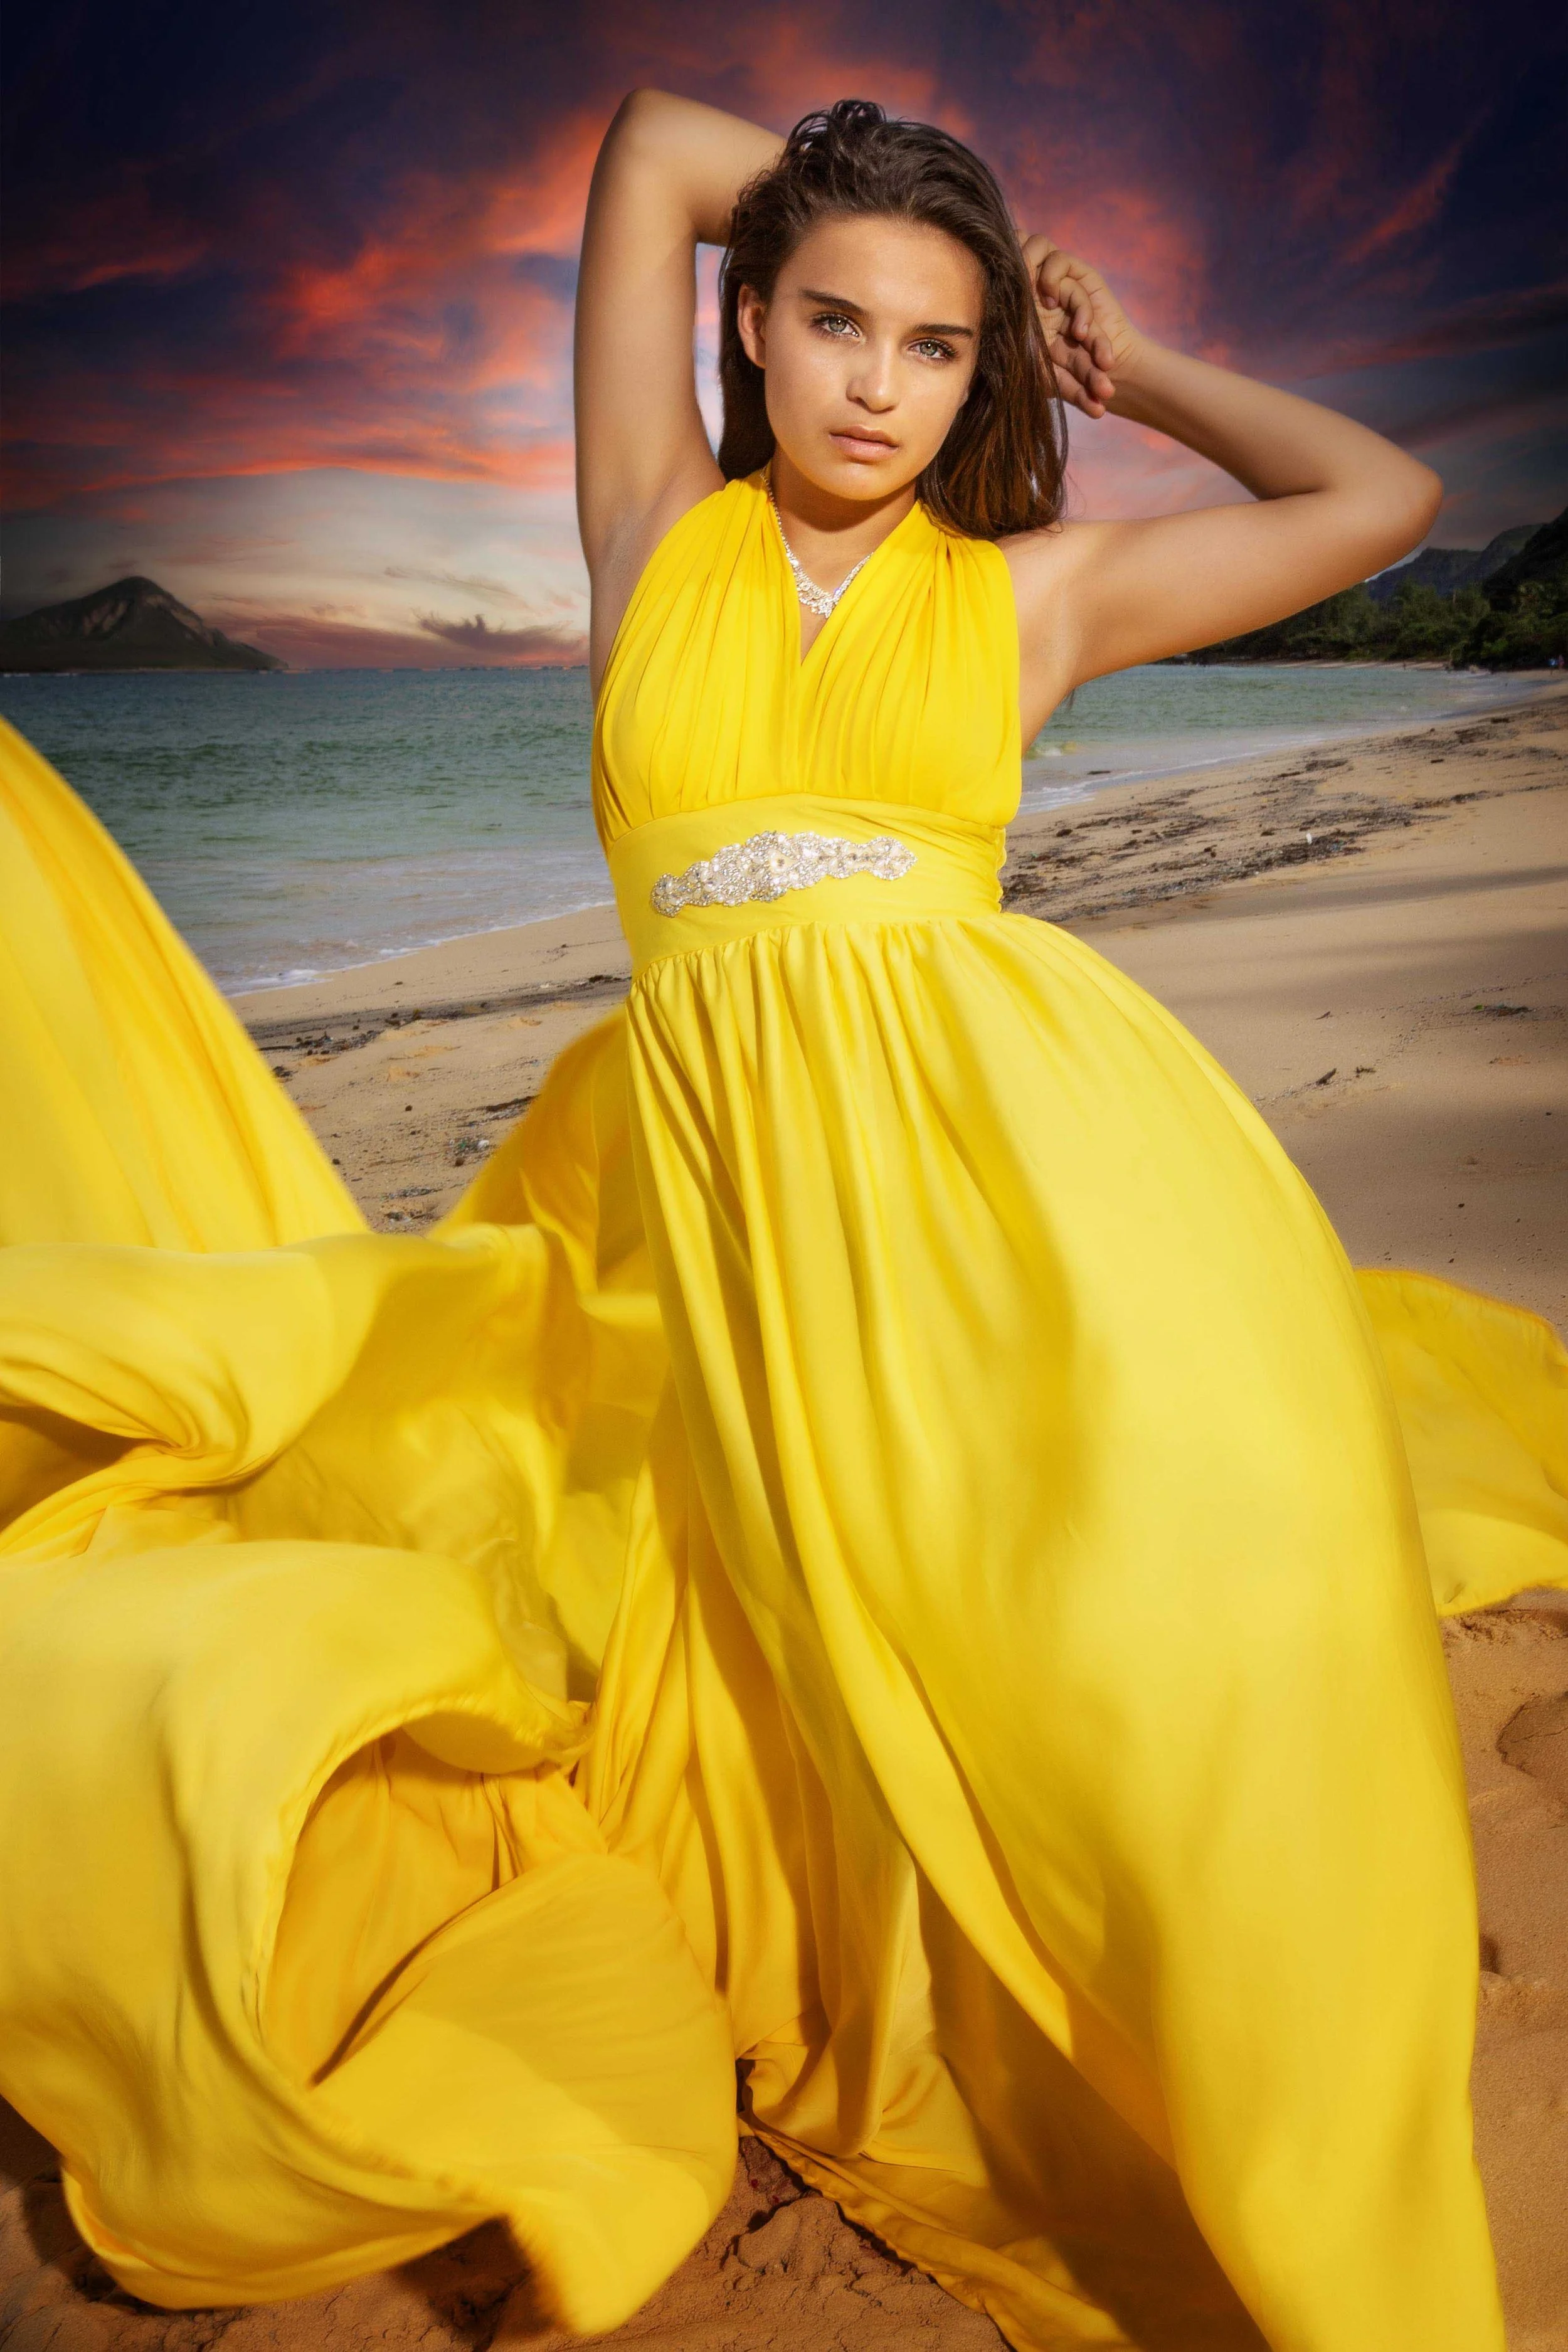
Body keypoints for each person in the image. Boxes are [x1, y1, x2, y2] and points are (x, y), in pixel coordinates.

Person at [0, 87, 1564, 2352]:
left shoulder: (1031, 598)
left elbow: (1380, 502)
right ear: (750, 325)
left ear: (980, 376)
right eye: (832, 320)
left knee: (1119, 1645)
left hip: (1026, 1187)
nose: (872, 383)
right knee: (822, 1666)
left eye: (932, 350)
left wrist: (1118, 361)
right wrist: (883, 197)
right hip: (728, 1203)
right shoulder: (651, 533)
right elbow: (644, 147)